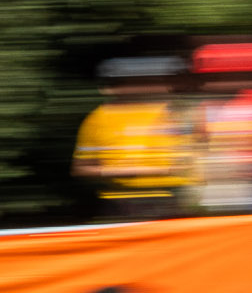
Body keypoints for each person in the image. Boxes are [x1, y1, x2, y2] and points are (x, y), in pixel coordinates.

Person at [71, 60, 191, 219]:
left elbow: (187, 161)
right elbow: (81, 168)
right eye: (126, 82)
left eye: (142, 81)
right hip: (121, 202)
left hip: (169, 199)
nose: (136, 87)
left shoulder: (173, 113)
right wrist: (119, 171)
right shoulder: (97, 119)